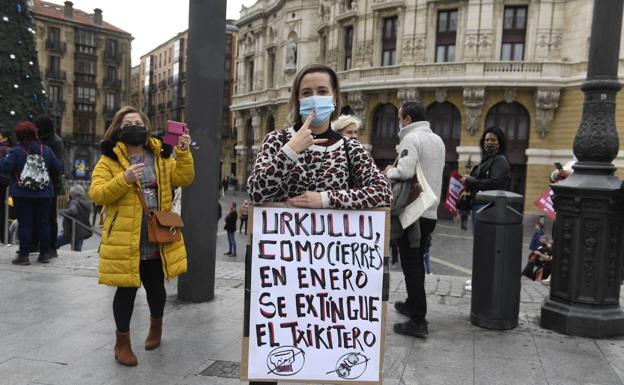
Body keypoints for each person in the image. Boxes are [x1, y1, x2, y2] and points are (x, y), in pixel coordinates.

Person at [246, 63, 391, 385]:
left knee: (322, 351)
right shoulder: (276, 141)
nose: (315, 99)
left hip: (330, 277)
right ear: (297, 100)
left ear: (335, 97)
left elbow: (382, 192)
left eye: (322, 92)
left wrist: (326, 199)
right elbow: (257, 190)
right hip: (280, 273)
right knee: (273, 351)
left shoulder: (351, 149)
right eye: (306, 93)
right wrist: (291, 151)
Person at [88, 106, 194, 367]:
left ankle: (156, 328)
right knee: (126, 290)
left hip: (155, 233)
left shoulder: (160, 154)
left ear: (146, 126)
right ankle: (122, 344)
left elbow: (185, 178)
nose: (135, 126)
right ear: (119, 130)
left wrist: (183, 152)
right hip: (125, 237)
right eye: (128, 123)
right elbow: (97, 194)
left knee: (156, 286)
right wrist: (123, 179)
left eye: (138, 122)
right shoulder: (110, 159)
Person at [384, 102, 445, 338]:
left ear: (407, 119)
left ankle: (418, 319)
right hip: (430, 212)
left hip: (413, 215)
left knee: (411, 265)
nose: (399, 123)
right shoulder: (437, 139)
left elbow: (407, 171)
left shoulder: (412, 138)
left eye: (400, 118)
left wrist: (389, 171)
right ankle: (412, 304)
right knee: (417, 261)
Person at [0, 121, 62, 265]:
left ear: (19, 136)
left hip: (22, 194)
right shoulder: (45, 150)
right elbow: (58, 167)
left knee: (25, 224)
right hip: (44, 193)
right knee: (44, 224)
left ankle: (24, 256)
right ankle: (44, 254)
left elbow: (5, 167)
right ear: (35, 134)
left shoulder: (16, 151)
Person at [463, 126, 510, 232]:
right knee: (480, 242)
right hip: (479, 205)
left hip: (487, 206)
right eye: (487, 139)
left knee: (483, 242)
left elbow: (495, 182)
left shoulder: (500, 160)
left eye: (493, 140)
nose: (489, 142)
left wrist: (472, 181)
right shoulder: (486, 160)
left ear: (500, 142)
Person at [33, 115, 65, 259]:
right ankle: (35, 243)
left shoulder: (56, 142)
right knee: (35, 215)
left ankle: (52, 247)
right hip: (36, 183)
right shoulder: (39, 140)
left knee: (50, 217)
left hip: (51, 184)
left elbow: (57, 166)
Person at [56, 184, 92, 251]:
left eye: (70, 193)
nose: (70, 194)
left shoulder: (74, 201)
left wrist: (61, 211)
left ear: (73, 193)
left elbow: (73, 211)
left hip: (71, 232)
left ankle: (51, 253)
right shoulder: (86, 201)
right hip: (81, 232)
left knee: (54, 243)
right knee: (77, 251)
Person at [0, 129, 13, 243]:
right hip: (9, 183)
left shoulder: (2, 149)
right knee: (4, 210)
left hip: (1, 182)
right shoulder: (12, 150)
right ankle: (6, 237)